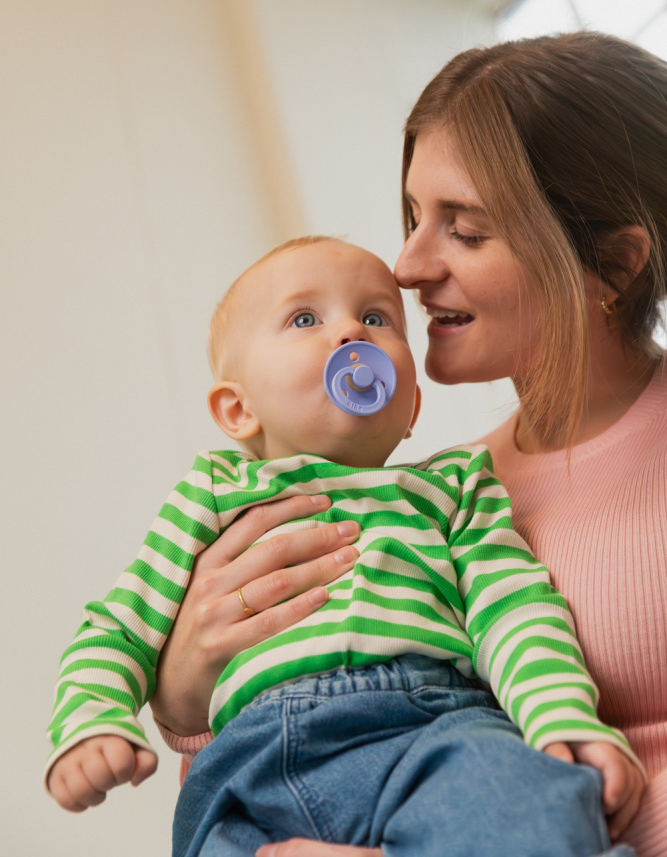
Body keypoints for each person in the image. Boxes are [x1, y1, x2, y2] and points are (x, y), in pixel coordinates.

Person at [147, 33, 667, 857]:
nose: (407, 266)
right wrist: (181, 694)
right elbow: (287, 752)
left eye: (465, 231)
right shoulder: (435, 495)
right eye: (415, 216)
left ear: (611, 263)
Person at [45, 235, 642, 857]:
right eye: (305, 318)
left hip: (431, 729)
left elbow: (514, 608)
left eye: (377, 317)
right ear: (237, 409)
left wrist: (560, 716)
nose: (352, 332)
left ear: (410, 406)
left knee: (534, 804)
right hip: (249, 757)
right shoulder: (212, 494)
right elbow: (120, 629)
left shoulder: (453, 487)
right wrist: (92, 720)